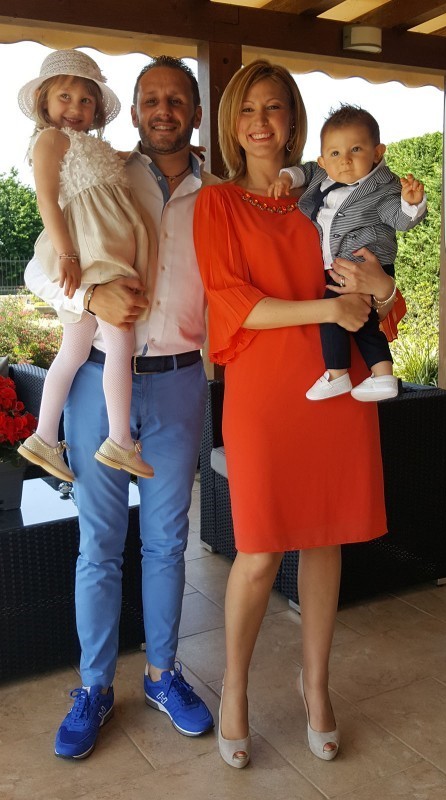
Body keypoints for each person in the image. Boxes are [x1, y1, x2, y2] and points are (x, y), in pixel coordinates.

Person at [193, 60, 393, 767]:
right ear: (232, 123)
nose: (260, 121)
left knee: (324, 539)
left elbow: (378, 288)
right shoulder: (217, 203)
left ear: (293, 120)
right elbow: (233, 302)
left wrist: (379, 287)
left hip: (339, 389)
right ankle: (236, 688)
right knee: (257, 550)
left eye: (274, 107)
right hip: (264, 394)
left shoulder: (331, 192)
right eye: (248, 109)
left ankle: (317, 686)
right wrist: (326, 310)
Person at [25, 54, 219, 760]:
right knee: (100, 545)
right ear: (133, 111)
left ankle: (164, 674)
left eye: (177, 99)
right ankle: (95, 686)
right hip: (96, 380)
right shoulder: (102, 167)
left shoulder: (218, 196)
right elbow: (38, 268)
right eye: (151, 99)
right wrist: (89, 293)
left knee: (169, 542)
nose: (164, 109)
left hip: (179, 380)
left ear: (195, 112)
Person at [17, 49, 155, 481]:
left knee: (74, 349)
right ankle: (119, 440)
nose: (75, 107)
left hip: (103, 247)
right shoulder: (49, 140)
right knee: (120, 341)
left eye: (85, 100)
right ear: (44, 102)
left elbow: (126, 158)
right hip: (94, 250)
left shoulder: (92, 145)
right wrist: (67, 254)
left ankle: (43, 436)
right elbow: (47, 200)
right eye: (65, 97)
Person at [270, 104, 427, 403]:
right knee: (365, 323)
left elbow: (400, 220)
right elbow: (304, 171)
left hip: (364, 267)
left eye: (356, 149)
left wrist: (411, 203)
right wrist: (286, 178)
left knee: (331, 312)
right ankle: (383, 376)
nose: (344, 160)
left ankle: (337, 374)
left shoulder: (382, 189)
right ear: (323, 160)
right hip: (344, 268)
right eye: (334, 153)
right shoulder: (322, 174)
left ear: (377, 153)